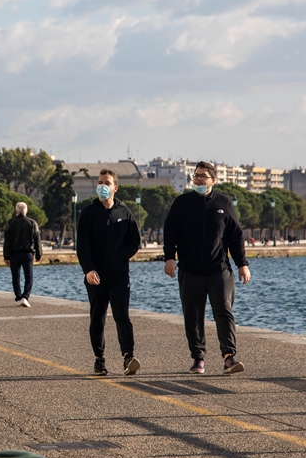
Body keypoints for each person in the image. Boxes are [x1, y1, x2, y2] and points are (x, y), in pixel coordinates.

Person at [163, 161, 251, 375]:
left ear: (213, 180)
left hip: (219, 270)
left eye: (203, 176)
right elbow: (170, 231)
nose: (198, 179)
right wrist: (169, 258)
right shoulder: (182, 203)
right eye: (196, 175)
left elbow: (236, 236)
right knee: (192, 315)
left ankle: (229, 357)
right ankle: (198, 358)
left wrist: (242, 264)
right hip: (189, 270)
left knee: (224, 311)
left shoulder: (223, 203)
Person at [77, 168, 142, 376]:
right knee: (98, 318)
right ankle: (99, 359)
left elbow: (134, 241)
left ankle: (128, 357)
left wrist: (120, 256)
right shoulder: (88, 213)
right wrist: (88, 270)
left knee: (122, 315)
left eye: (106, 182)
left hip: (119, 274)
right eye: (99, 182)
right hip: (95, 276)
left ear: (115, 187)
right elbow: (83, 247)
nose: (102, 186)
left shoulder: (125, 212)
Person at [2, 201, 42, 307]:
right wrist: (39, 254)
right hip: (27, 253)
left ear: (16, 211)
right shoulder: (32, 223)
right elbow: (37, 239)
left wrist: (6, 256)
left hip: (14, 254)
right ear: (26, 211)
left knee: (15, 276)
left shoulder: (10, 223)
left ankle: (18, 296)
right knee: (29, 276)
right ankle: (25, 296)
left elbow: (7, 241)